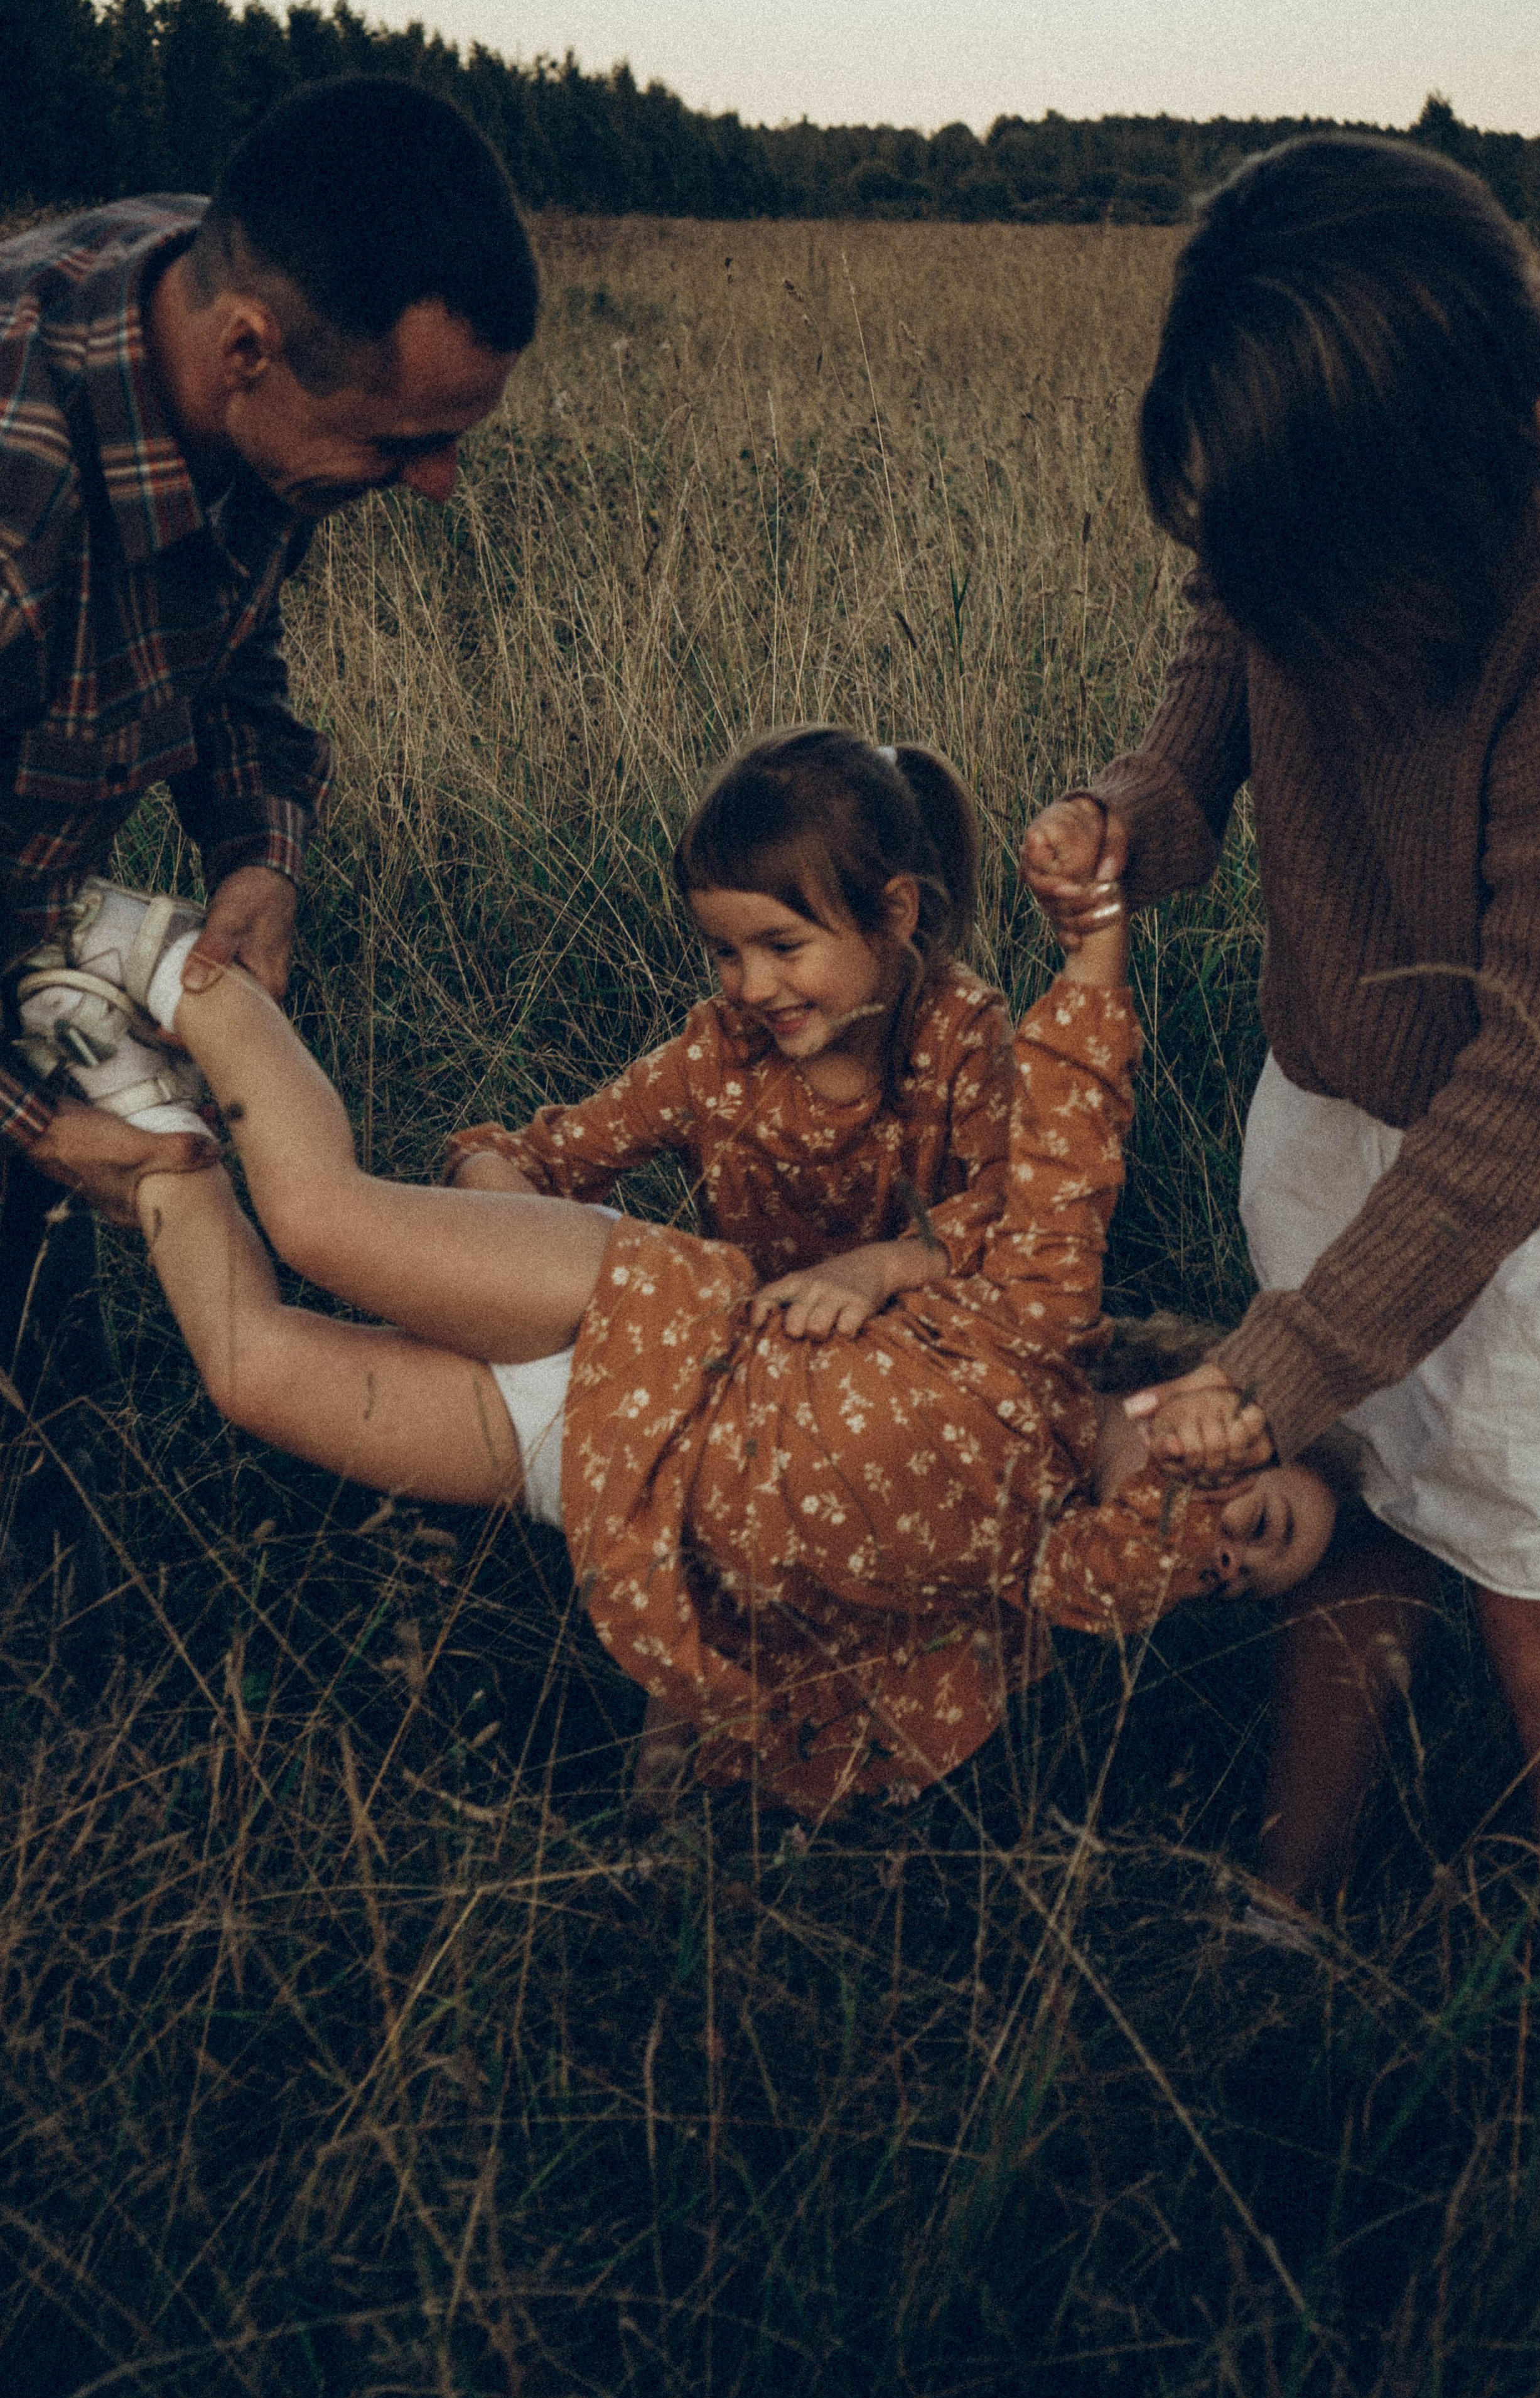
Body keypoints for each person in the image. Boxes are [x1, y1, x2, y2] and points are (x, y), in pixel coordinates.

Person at [21, 802, 1337, 1817]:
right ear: (1199, 1398)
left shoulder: (1003, 1610)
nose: (1213, 1554)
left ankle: (140, 1120)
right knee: (313, 1219)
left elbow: (801, 1652)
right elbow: (1064, 1144)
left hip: (585, 1478)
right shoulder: (1032, 1335)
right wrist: (1096, 941)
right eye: (1254, 1513)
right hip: (643, 1323)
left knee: (251, 1374)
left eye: (1224, 1582)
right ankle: (162, 953)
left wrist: (682, 1773)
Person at [1043, 134, 1540, 1916]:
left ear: (1505, 444)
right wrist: (1160, 798)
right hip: (1336, 1069)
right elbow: (1238, 592)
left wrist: (1282, 1359)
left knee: (1538, 1580)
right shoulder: (1344, 408)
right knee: (1349, 1500)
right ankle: (1291, 1911)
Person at [0, 75, 537, 1599]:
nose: (436, 481)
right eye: (406, 439)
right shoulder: (17, 505)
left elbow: (226, 647)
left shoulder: (245, 318)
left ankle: (60, 1575)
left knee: (43, 1352)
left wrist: (261, 851)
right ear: (246, 353)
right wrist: (33, 1122)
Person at [446, 725, 1017, 1337]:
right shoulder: (721, 1052)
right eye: (726, 951)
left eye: (783, 945)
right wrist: (512, 1216)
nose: (751, 986)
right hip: (747, 1375)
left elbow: (1018, 1210)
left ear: (894, 914)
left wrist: (882, 1268)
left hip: (925, 1375)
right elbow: (524, 1161)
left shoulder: (961, 1032)